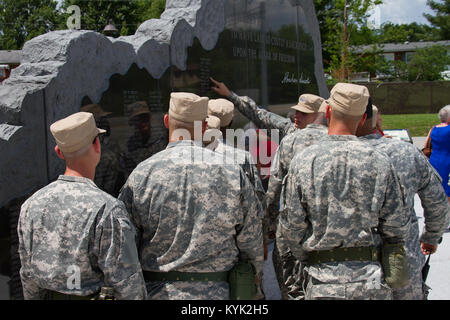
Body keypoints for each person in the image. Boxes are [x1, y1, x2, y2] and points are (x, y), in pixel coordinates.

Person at [118, 92, 264, 300]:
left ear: (167, 121)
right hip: (219, 294)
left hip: (160, 293)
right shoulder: (231, 172)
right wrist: (253, 281)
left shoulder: (143, 174)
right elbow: (251, 240)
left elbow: (124, 242)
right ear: (204, 127)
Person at [277, 83, 410, 300]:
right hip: (370, 280)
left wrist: (307, 256)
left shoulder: (305, 160)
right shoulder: (380, 160)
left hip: (322, 280)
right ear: (363, 118)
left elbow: (291, 225)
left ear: (328, 112)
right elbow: (397, 224)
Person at [17, 112, 147, 300]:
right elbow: (127, 284)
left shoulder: (31, 205)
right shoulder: (107, 209)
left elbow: (28, 275)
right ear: (97, 145)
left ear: (59, 152)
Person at [358, 105, 449, 300]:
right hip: (402, 259)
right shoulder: (405, 152)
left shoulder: (325, 155)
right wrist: (431, 237)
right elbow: (438, 202)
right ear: (375, 120)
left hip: (348, 268)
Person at [267, 96, 327, 300]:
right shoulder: (334, 138)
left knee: (292, 287)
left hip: (293, 231)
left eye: (303, 112)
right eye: (296, 111)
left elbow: (275, 184)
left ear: (319, 114)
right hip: (325, 230)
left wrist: (268, 220)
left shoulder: (291, 140)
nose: (296, 115)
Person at [210, 77, 296, 140]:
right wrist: (229, 94)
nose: (297, 116)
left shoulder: (293, 133)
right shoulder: (289, 130)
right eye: (297, 112)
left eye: (304, 114)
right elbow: (257, 114)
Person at [81, 103, 124, 196]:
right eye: (102, 120)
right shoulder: (93, 151)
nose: (106, 123)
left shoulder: (112, 145)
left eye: (105, 120)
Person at [123, 101, 167, 176]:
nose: (143, 122)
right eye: (138, 119)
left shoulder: (162, 140)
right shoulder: (130, 146)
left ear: (150, 118)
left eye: (144, 117)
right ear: (132, 122)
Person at [424, 105, 450, 204]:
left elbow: (426, 144)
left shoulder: (434, 128)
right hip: (447, 161)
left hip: (434, 161)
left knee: (438, 189)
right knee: (448, 190)